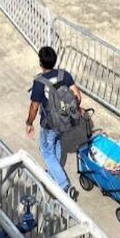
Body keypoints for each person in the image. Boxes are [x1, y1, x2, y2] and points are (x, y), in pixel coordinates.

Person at [25, 46, 82, 200]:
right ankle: (52, 174)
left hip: (49, 124)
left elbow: (34, 107)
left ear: (40, 63)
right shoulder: (65, 75)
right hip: (65, 122)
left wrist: (29, 123)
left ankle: (64, 186)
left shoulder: (39, 82)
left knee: (46, 150)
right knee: (56, 144)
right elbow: (77, 95)